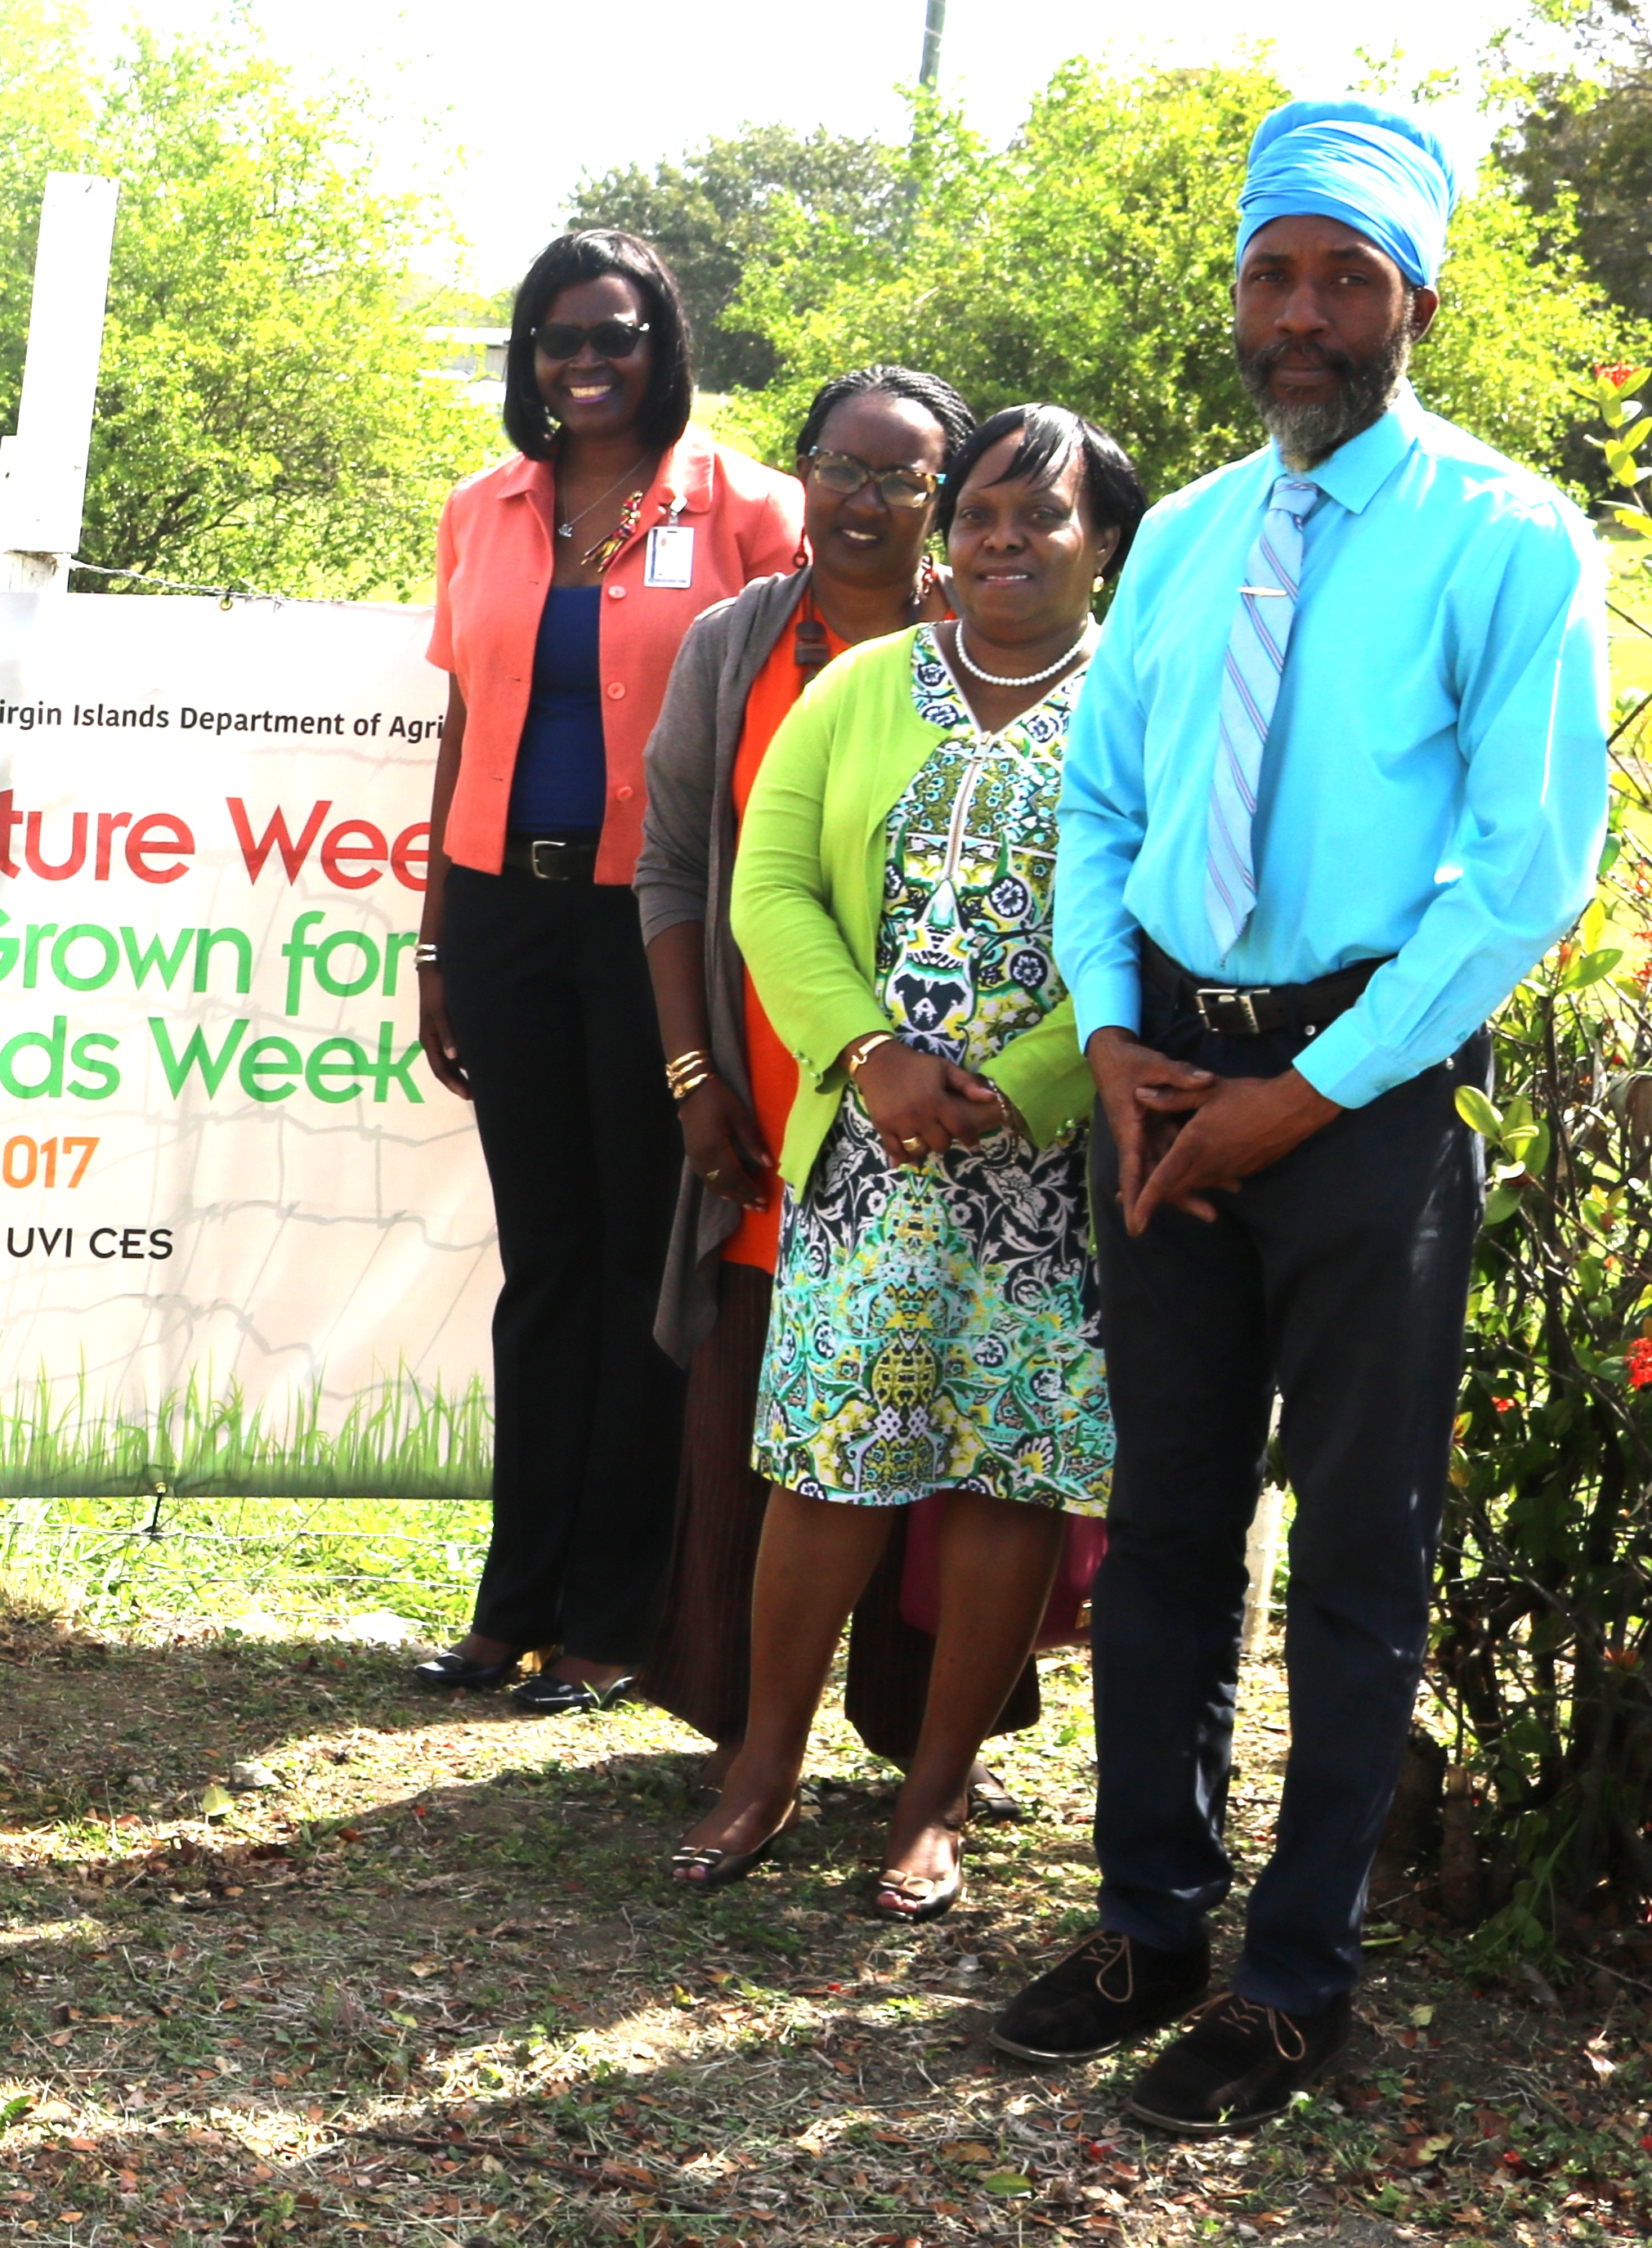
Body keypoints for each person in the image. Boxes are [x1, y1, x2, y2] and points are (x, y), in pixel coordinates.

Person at [993, 99, 1610, 2137]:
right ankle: (1146, 1922)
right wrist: (1103, 1032)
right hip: (1156, 1062)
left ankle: (1289, 1978)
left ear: (1412, 298)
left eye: (1346, 276)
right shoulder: (1173, 537)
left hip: (1358, 1088)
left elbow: (1523, 875)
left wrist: (1309, 1093)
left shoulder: (1507, 536)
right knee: (1163, 1516)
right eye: (1274, 271)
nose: (1303, 315)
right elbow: (1100, 810)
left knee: (1355, 1542)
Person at [667, 405, 1144, 1920]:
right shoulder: (866, 687)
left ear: (1106, 546)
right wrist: (867, 1056)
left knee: (1008, 1472)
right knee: (827, 1463)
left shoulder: (1144, 708)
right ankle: (760, 1770)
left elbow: (1155, 925)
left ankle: (930, 1804)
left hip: (1042, 1170)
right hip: (868, 1150)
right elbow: (769, 887)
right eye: (984, 516)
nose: (1003, 542)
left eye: (1041, 517)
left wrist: (1013, 1088)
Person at [410, 231, 804, 1712]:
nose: (582, 362)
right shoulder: (482, 507)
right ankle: (510, 1601)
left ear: (663, 344)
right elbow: (462, 726)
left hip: (663, 930)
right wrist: (437, 937)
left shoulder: (754, 507)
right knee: (544, 1267)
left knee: (652, 1268)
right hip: (509, 919)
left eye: (613, 335)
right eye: (554, 337)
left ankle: (616, 1617)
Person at [633, 366, 1012, 1771]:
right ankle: (742, 1727)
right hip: (766, 1100)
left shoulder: (996, 651)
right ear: (800, 474)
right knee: (761, 1423)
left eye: (900, 478)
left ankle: (921, 1738)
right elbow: (674, 867)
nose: (861, 501)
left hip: (944, 1129)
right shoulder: (737, 642)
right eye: (837, 468)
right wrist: (691, 1074)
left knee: (931, 1411)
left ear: (947, 501)